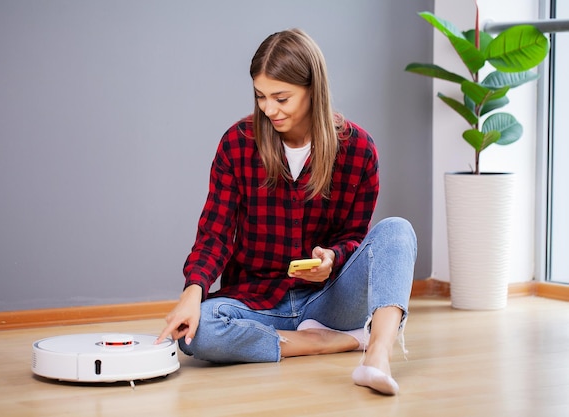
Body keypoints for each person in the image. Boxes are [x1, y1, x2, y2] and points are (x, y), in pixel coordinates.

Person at [156, 28, 417, 395]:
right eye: (261, 96)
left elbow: (354, 237)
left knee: (398, 230)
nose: (269, 109)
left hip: (329, 298)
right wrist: (192, 292)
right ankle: (333, 342)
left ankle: (377, 353)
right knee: (196, 335)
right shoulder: (237, 144)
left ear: (314, 89)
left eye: (281, 97)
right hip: (258, 298)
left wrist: (331, 258)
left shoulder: (358, 150)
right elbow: (215, 233)